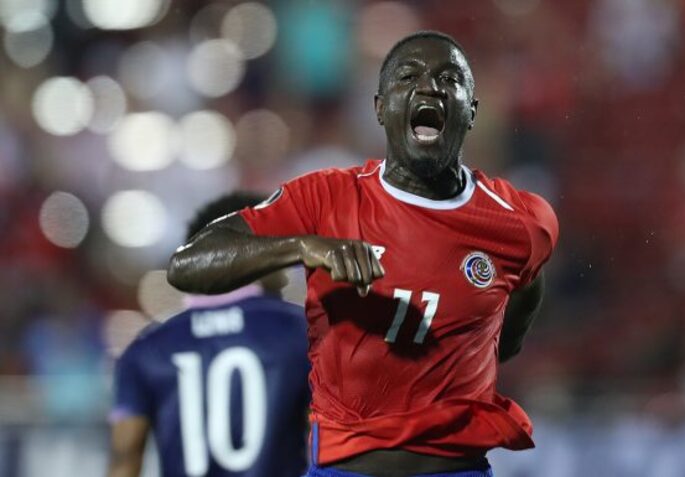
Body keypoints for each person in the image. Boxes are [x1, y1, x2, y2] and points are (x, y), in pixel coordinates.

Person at [168, 31, 559, 477]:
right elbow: (188, 265)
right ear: (379, 108)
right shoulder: (325, 198)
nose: (428, 86)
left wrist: (478, 352)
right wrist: (301, 245)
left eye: (448, 78)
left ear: (470, 112)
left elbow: (521, 305)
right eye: (408, 75)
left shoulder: (520, 221)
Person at [109, 192, 311, 477]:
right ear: (250, 253)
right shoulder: (303, 331)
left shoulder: (145, 349)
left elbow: (124, 460)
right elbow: (328, 446)